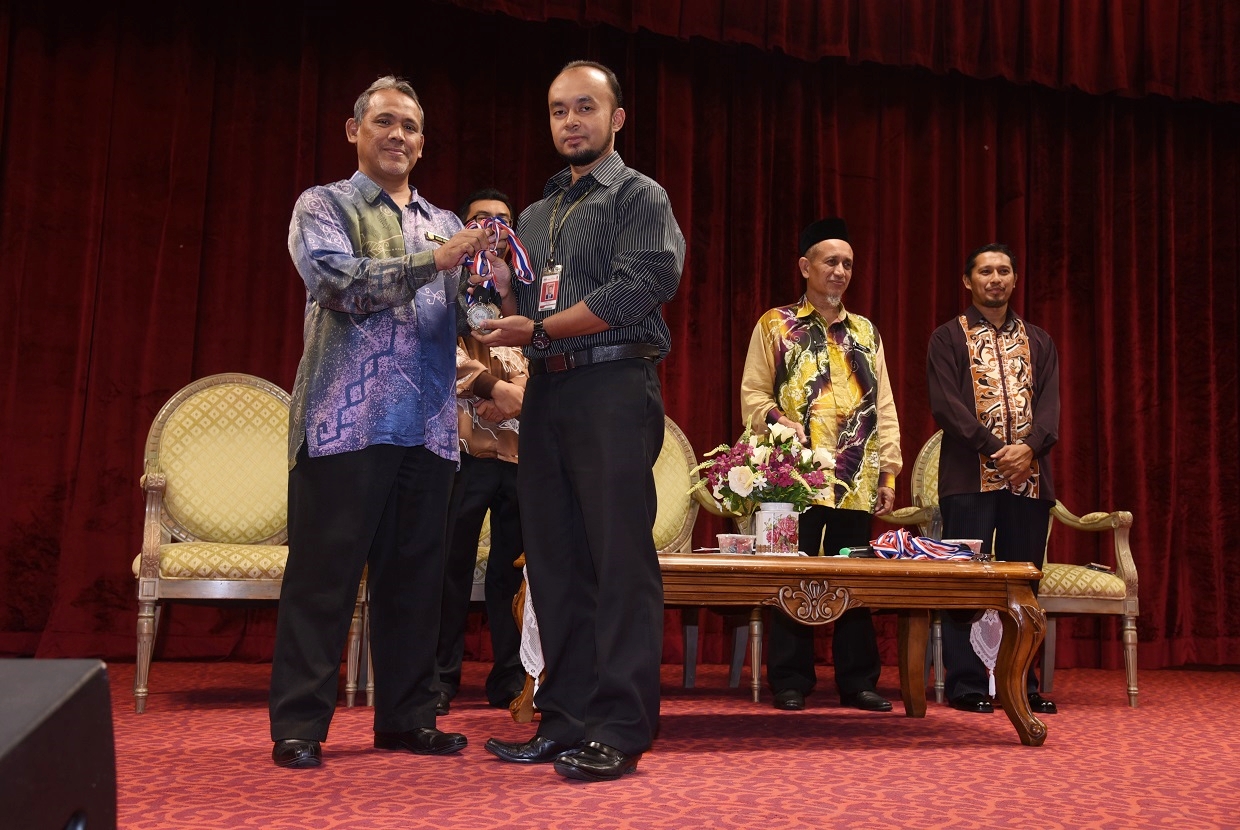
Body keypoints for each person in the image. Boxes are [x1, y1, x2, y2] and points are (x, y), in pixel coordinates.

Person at [269, 75, 500, 769]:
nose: (398, 135)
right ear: (355, 131)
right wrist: (439, 260)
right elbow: (335, 282)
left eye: (410, 127)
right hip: (344, 423)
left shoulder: (446, 221)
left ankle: (407, 718)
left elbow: (471, 316)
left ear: (423, 144)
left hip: (429, 428)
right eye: (385, 122)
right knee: (323, 580)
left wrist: (498, 292)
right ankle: (300, 726)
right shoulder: (324, 204)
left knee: (417, 583)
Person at [474, 60, 684, 782]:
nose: (571, 121)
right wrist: (507, 294)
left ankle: (621, 728)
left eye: (586, 107)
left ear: (616, 118)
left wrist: (536, 329)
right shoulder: (535, 215)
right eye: (559, 109)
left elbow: (643, 285)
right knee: (555, 562)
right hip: (549, 392)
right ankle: (563, 720)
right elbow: (534, 310)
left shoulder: (639, 194)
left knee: (618, 562)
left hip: (614, 386)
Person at [739, 217, 902, 714]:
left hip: (855, 475)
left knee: (854, 578)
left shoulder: (866, 331)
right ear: (805, 266)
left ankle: (859, 682)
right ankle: (790, 680)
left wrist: (889, 471)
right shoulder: (776, 324)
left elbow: (885, 406)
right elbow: (753, 394)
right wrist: (779, 421)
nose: (840, 271)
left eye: (848, 263)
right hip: (794, 478)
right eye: (831, 261)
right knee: (793, 575)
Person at [926, 242, 1060, 716]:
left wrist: (1029, 449)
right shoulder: (947, 338)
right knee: (965, 584)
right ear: (968, 281)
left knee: (1023, 585)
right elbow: (946, 405)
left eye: (1004, 270)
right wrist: (996, 450)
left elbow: (1051, 407)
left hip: (1030, 480)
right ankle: (965, 682)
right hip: (968, 478)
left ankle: (1022, 682)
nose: (995, 279)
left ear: (1015, 280)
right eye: (985, 271)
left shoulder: (1039, 340)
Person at [432, 188, 528, 716]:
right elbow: (434, 353)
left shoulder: (525, 290)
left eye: (502, 220)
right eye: (481, 219)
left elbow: (544, 349)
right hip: (460, 451)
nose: (492, 227)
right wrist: (492, 388)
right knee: (449, 565)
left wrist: (519, 395)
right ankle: (439, 677)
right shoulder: (443, 285)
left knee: (512, 572)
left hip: (518, 453)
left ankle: (511, 677)